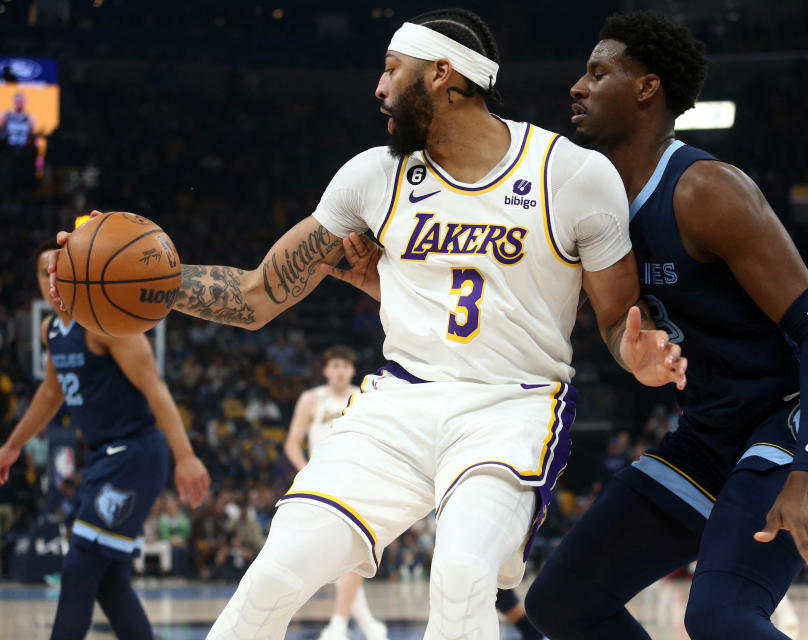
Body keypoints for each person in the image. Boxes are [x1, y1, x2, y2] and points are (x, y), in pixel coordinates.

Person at [49, 8, 686, 640]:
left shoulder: (571, 174)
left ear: (442, 74)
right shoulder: (372, 177)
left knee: (462, 575)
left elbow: (615, 321)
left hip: (511, 406)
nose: (378, 89)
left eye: (391, 69)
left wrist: (639, 355)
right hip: (398, 403)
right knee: (274, 571)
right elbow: (256, 294)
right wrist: (144, 281)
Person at [514, 12, 808, 640]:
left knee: (721, 615)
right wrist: (631, 350)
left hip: (794, 417)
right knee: (560, 602)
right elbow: (610, 328)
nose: (577, 86)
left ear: (647, 88)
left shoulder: (704, 189)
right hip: (709, 432)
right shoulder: (591, 207)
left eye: (598, 73)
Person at [0, 239, 210, 640]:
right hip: (104, 457)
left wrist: (186, 456)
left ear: (80, 272)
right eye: (46, 274)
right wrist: (12, 446)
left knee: (80, 565)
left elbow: (156, 388)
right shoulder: (52, 330)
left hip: (134, 452)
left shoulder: (109, 322)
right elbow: (50, 393)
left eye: (60, 271)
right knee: (110, 580)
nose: (53, 281)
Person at [284, 345, 388, 640]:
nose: (340, 370)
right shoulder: (311, 398)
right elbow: (292, 442)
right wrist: (305, 469)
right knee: (333, 557)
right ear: (326, 370)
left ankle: (340, 624)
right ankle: (367, 625)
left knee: (353, 551)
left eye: (345, 365)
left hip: (357, 479)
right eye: (335, 365)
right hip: (320, 481)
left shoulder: (366, 395)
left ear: (352, 370)